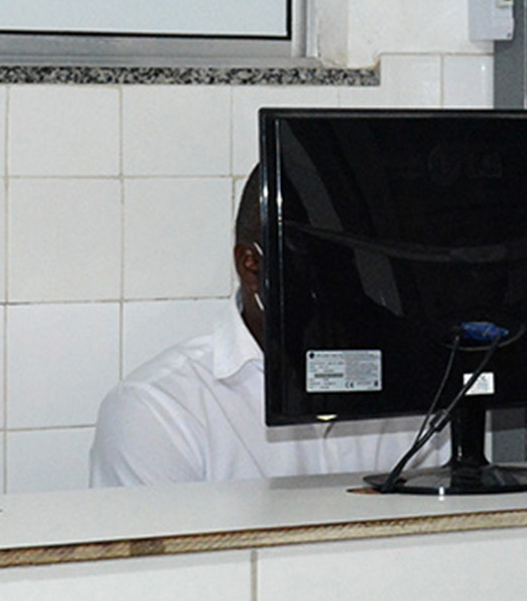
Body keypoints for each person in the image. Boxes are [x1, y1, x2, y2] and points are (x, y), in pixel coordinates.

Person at [90, 166, 439, 487]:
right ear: (251, 266)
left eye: (355, 264)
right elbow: (164, 555)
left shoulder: (416, 391)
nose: (345, 287)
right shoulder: (158, 411)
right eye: (318, 263)